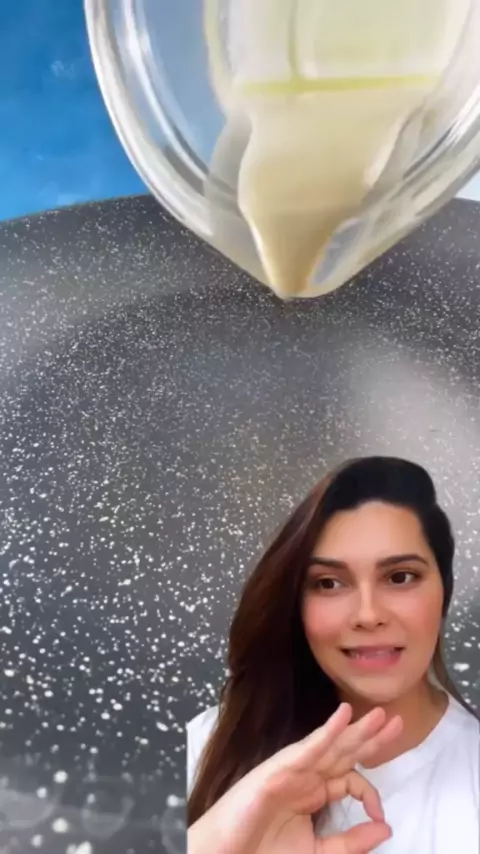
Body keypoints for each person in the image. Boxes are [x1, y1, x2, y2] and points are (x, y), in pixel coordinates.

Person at [187, 457, 480, 853]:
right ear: (296, 602)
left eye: (400, 577)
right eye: (329, 583)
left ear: (444, 590)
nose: (368, 615)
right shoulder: (207, 745)